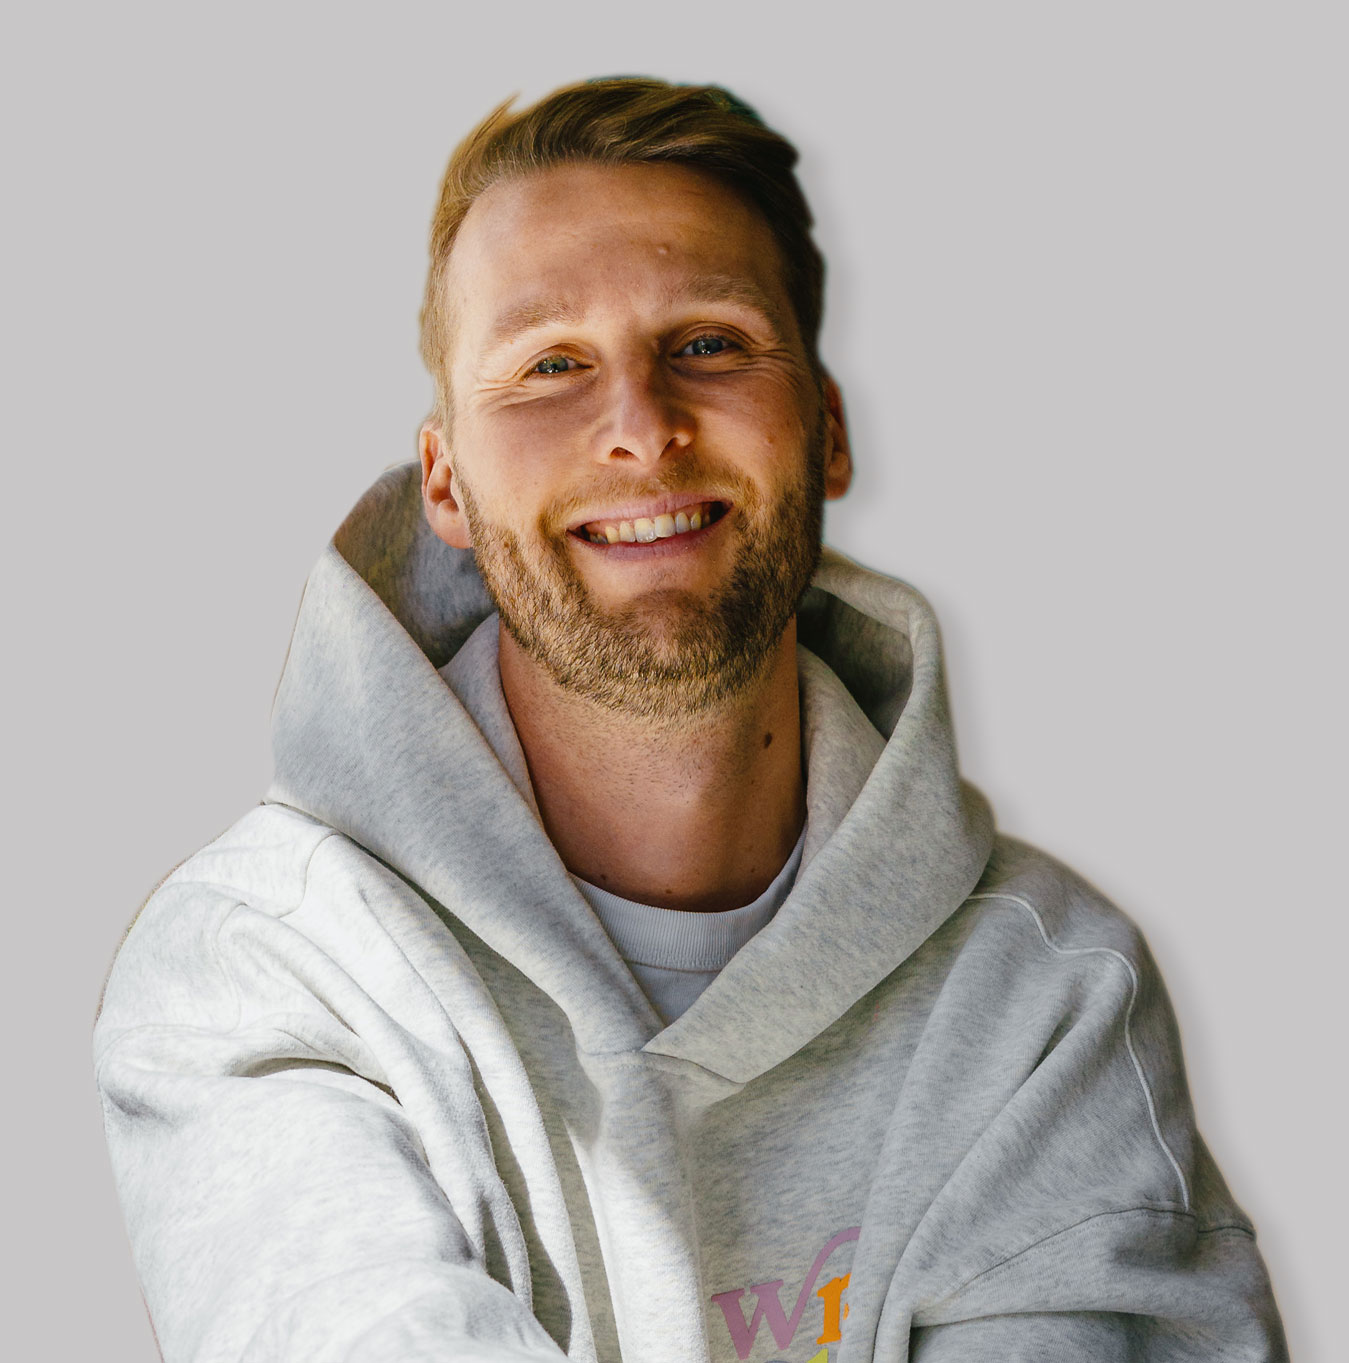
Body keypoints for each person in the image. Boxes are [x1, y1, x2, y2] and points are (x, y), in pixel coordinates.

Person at [93, 77, 1288, 1363]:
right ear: (442, 480)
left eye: (708, 344)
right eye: (550, 366)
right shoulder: (265, 971)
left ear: (824, 430)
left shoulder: (1042, 1001)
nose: (640, 430)